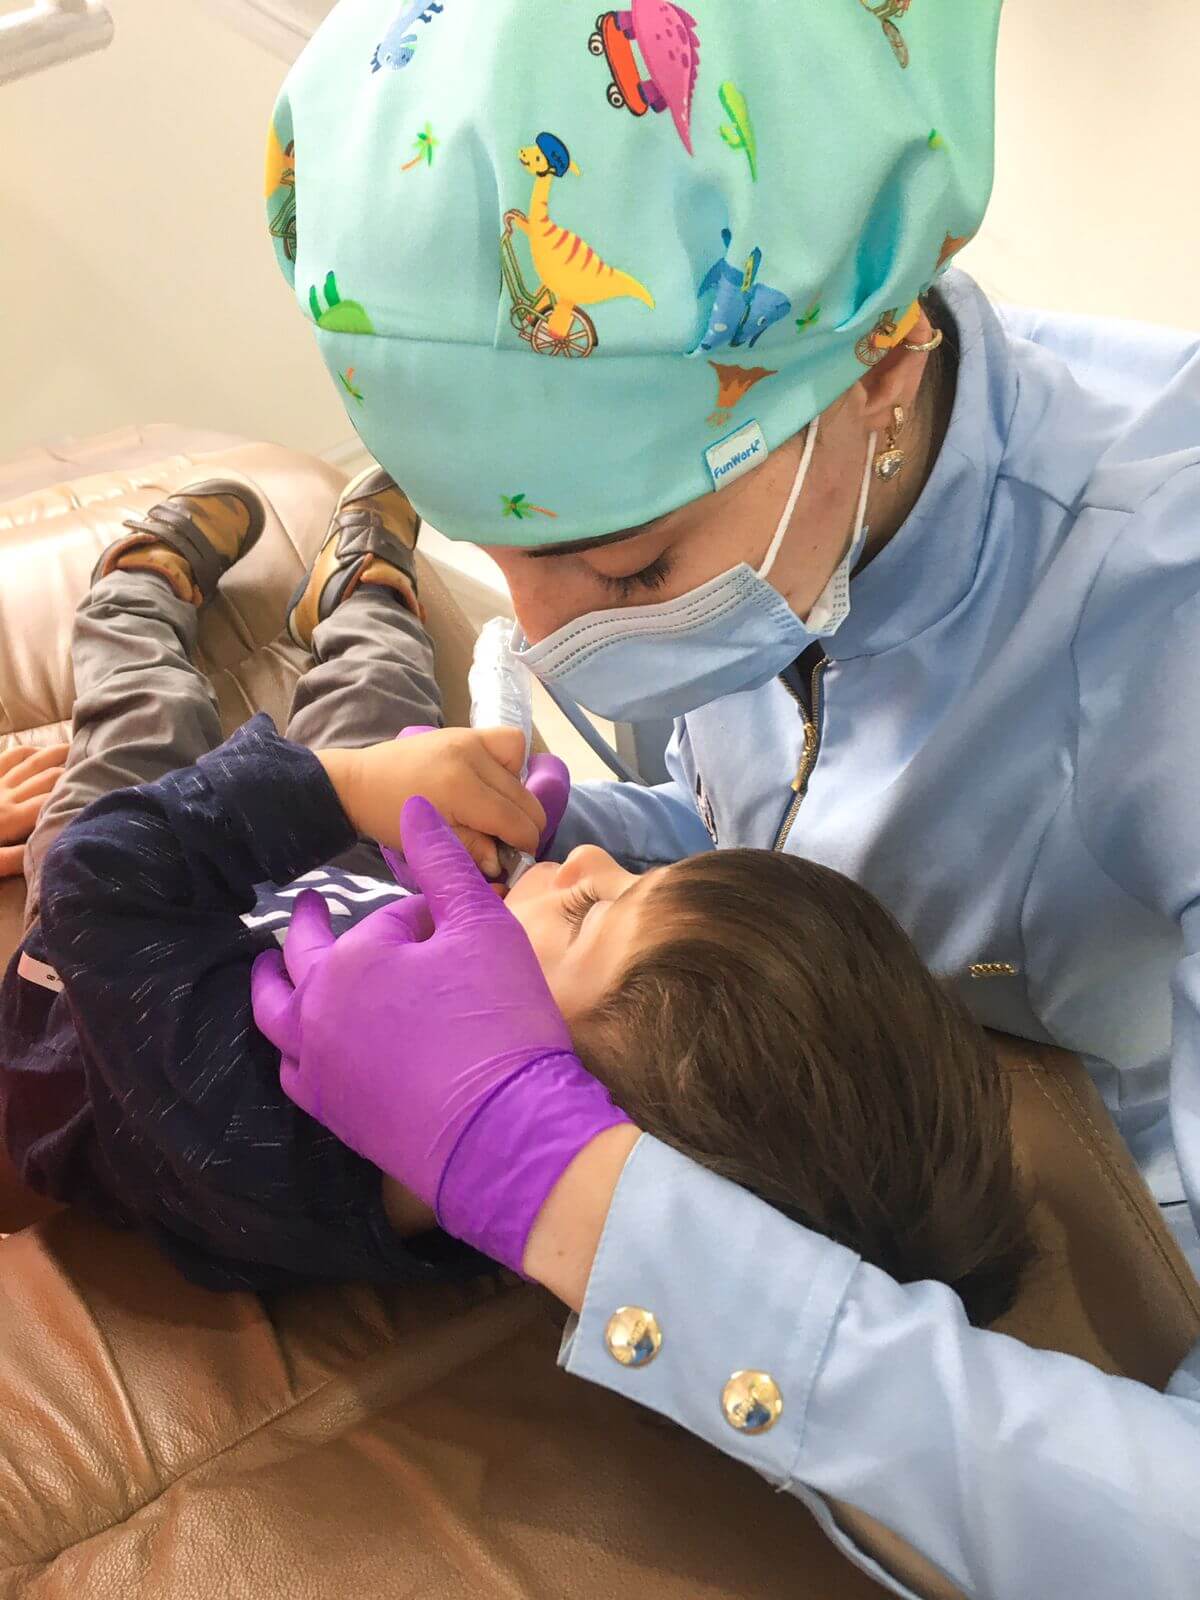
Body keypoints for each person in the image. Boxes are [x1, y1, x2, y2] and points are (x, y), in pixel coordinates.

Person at [254, 1, 1200, 1594]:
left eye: (631, 569)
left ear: (880, 369)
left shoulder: (1166, 614)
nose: (551, 638)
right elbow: (799, 832)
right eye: (500, 553)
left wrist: (563, 1188)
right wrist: (561, 835)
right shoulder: (789, 512)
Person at [0, 481, 1033, 1312]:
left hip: (98, 976)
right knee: (394, 716)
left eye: (592, 911)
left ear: (560, 1098)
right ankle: (368, 595)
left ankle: (133, 590)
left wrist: (338, 788)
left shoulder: (255, 1139)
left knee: (144, 724)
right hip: (348, 917)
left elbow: (100, 872)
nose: (587, 863)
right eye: (635, 875)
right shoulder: (462, 1167)